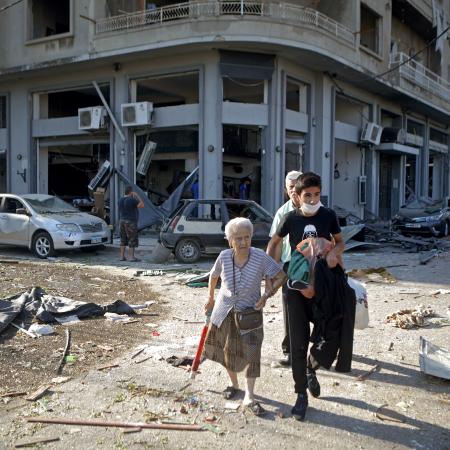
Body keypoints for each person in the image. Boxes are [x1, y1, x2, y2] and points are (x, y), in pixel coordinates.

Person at [267, 172, 344, 421]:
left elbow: (340, 242)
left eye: (316, 194)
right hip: (296, 285)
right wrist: (273, 269)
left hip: (323, 284)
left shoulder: (329, 215)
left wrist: (335, 253)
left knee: (329, 335)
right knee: (298, 341)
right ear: (297, 197)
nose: (312, 199)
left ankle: (312, 367)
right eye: (307, 195)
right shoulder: (290, 218)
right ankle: (301, 394)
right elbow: (274, 243)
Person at [203, 217, 286, 416]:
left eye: (246, 237)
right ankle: (234, 385)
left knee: (252, 353)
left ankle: (250, 395)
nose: (243, 242)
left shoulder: (259, 257)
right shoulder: (224, 256)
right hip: (224, 311)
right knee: (224, 350)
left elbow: (281, 275)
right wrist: (210, 298)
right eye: (238, 238)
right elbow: (213, 276)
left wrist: (267, 295)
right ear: (230, 240)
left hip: (250, 313)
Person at [269, 170, 302, 366]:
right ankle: (290, 352)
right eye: (290, 187)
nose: (294, 191)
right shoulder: (283, 213)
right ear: (286, 190)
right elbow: (276, 243)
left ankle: (320, 347)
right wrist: (272, 272)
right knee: (290, 309)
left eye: (297, 186)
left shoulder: (318, 209)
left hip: (315, 265)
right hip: (291, 266)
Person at [118, 186, 144, 262]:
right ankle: (131, 257)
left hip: (122, 221)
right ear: (131, 192)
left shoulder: (120, 200)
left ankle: (121, 257)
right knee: (132, 239)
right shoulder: (132, 200)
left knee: (123, 239)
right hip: (130, 222)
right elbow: (142, 205)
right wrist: (137, 196)